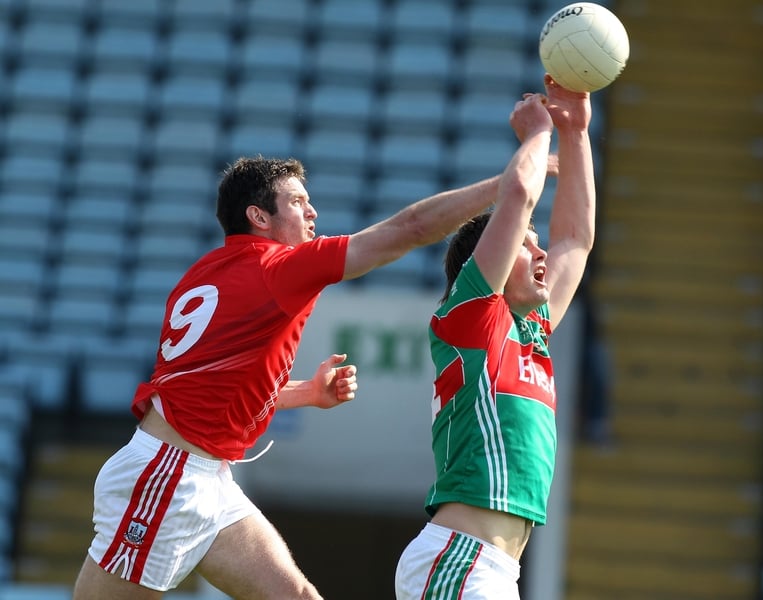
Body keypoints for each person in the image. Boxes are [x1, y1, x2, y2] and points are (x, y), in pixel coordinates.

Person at [73, 125, 559, 598]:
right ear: (259, 217)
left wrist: (306, 392)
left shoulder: (206, 272)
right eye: (297, 202)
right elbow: (408, 229)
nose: (312, 211)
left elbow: (210, 389)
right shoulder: (277, 267)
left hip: (202, 474)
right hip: (167, 476)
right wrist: (503, 189)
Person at [395, 74, 595, 599]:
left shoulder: (531, 330)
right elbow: (521, 193)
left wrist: (576, 131)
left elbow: (576, 240)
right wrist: (538, 132)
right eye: (528, 244)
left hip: (491, 569)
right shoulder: (472, 317)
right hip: (461, 559)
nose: (543, 253)